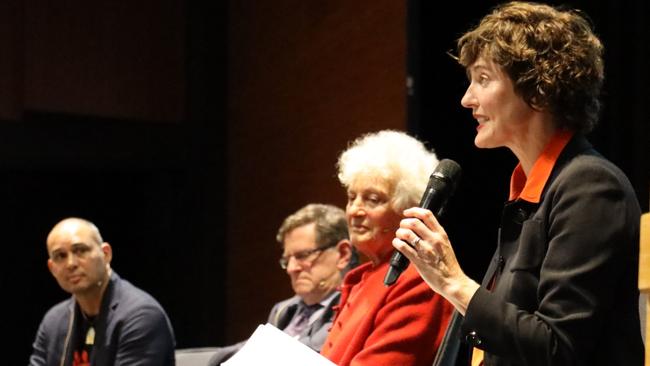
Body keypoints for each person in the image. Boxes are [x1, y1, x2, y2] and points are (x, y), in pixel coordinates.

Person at [393, 2, 644, 365]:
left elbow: (557, 348)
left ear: (539, 89)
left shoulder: (591, 187)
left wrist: (453, 282)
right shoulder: (531, 193)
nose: (467, 99)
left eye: (483, 79)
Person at [320, 130, 454, 366]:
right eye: (352, 198)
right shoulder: (366, 277)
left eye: (373, 199)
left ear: (409, 208)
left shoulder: (418, 280)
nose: (355, 211)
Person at [207, 203, 355, 365]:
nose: (291, 269)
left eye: (303, 255)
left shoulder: (355, 310)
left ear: (342, 254)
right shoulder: (282, 310)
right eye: (287, 260)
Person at [29, 217, 176, 366]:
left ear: (106, 254)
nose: (71, 264)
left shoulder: (142, 316)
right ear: (52, 268)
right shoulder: (53, 322)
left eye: (80, 250)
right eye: (60, 256)